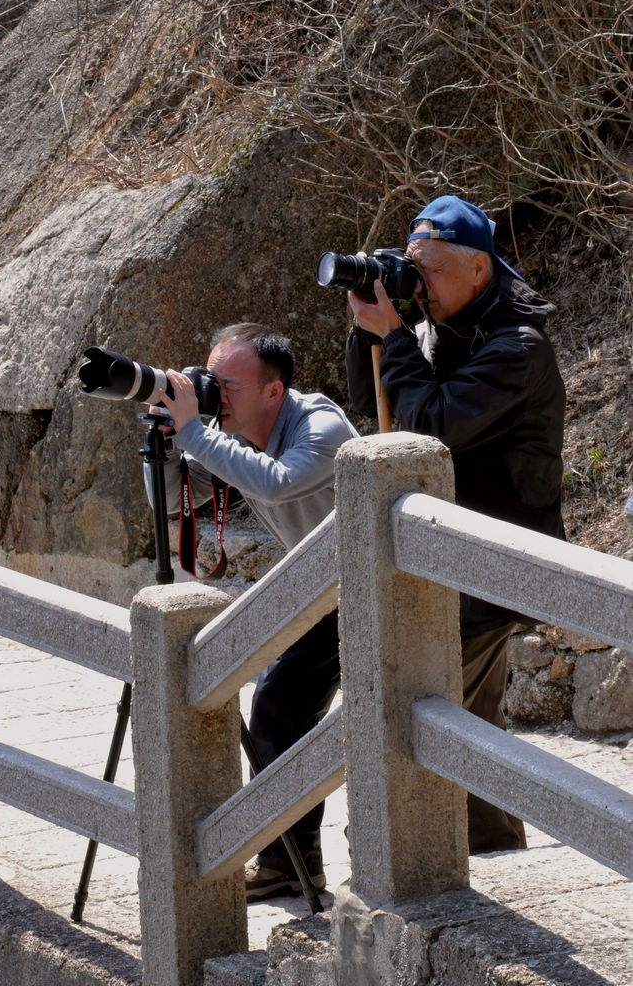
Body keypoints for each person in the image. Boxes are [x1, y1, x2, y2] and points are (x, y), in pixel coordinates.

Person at [345, 194, 565, 854]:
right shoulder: (445, 330)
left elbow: (428, 429)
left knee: (422, 700)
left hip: (497, 560)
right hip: (456, 555)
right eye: (414, 269)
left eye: (431, 271)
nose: (421, 285)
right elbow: (371, 402)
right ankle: (492, 841)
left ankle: (402, 846)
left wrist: (394, 338)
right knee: (469, 713)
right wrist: (370, 330)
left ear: (478, 269)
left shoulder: (517, 349)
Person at [145, 322, 358, 898]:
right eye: (210, 382)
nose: (216, 396)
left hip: (368, 585)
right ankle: (290, 863)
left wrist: (196, 432)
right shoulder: (222, 431)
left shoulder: (320, 424)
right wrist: (168, 440)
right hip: (319, 585)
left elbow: (279, 483)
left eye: (228, 386)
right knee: (275, 709)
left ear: (274, 391)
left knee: (284, 708)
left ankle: (293, 862)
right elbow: (169, 501)